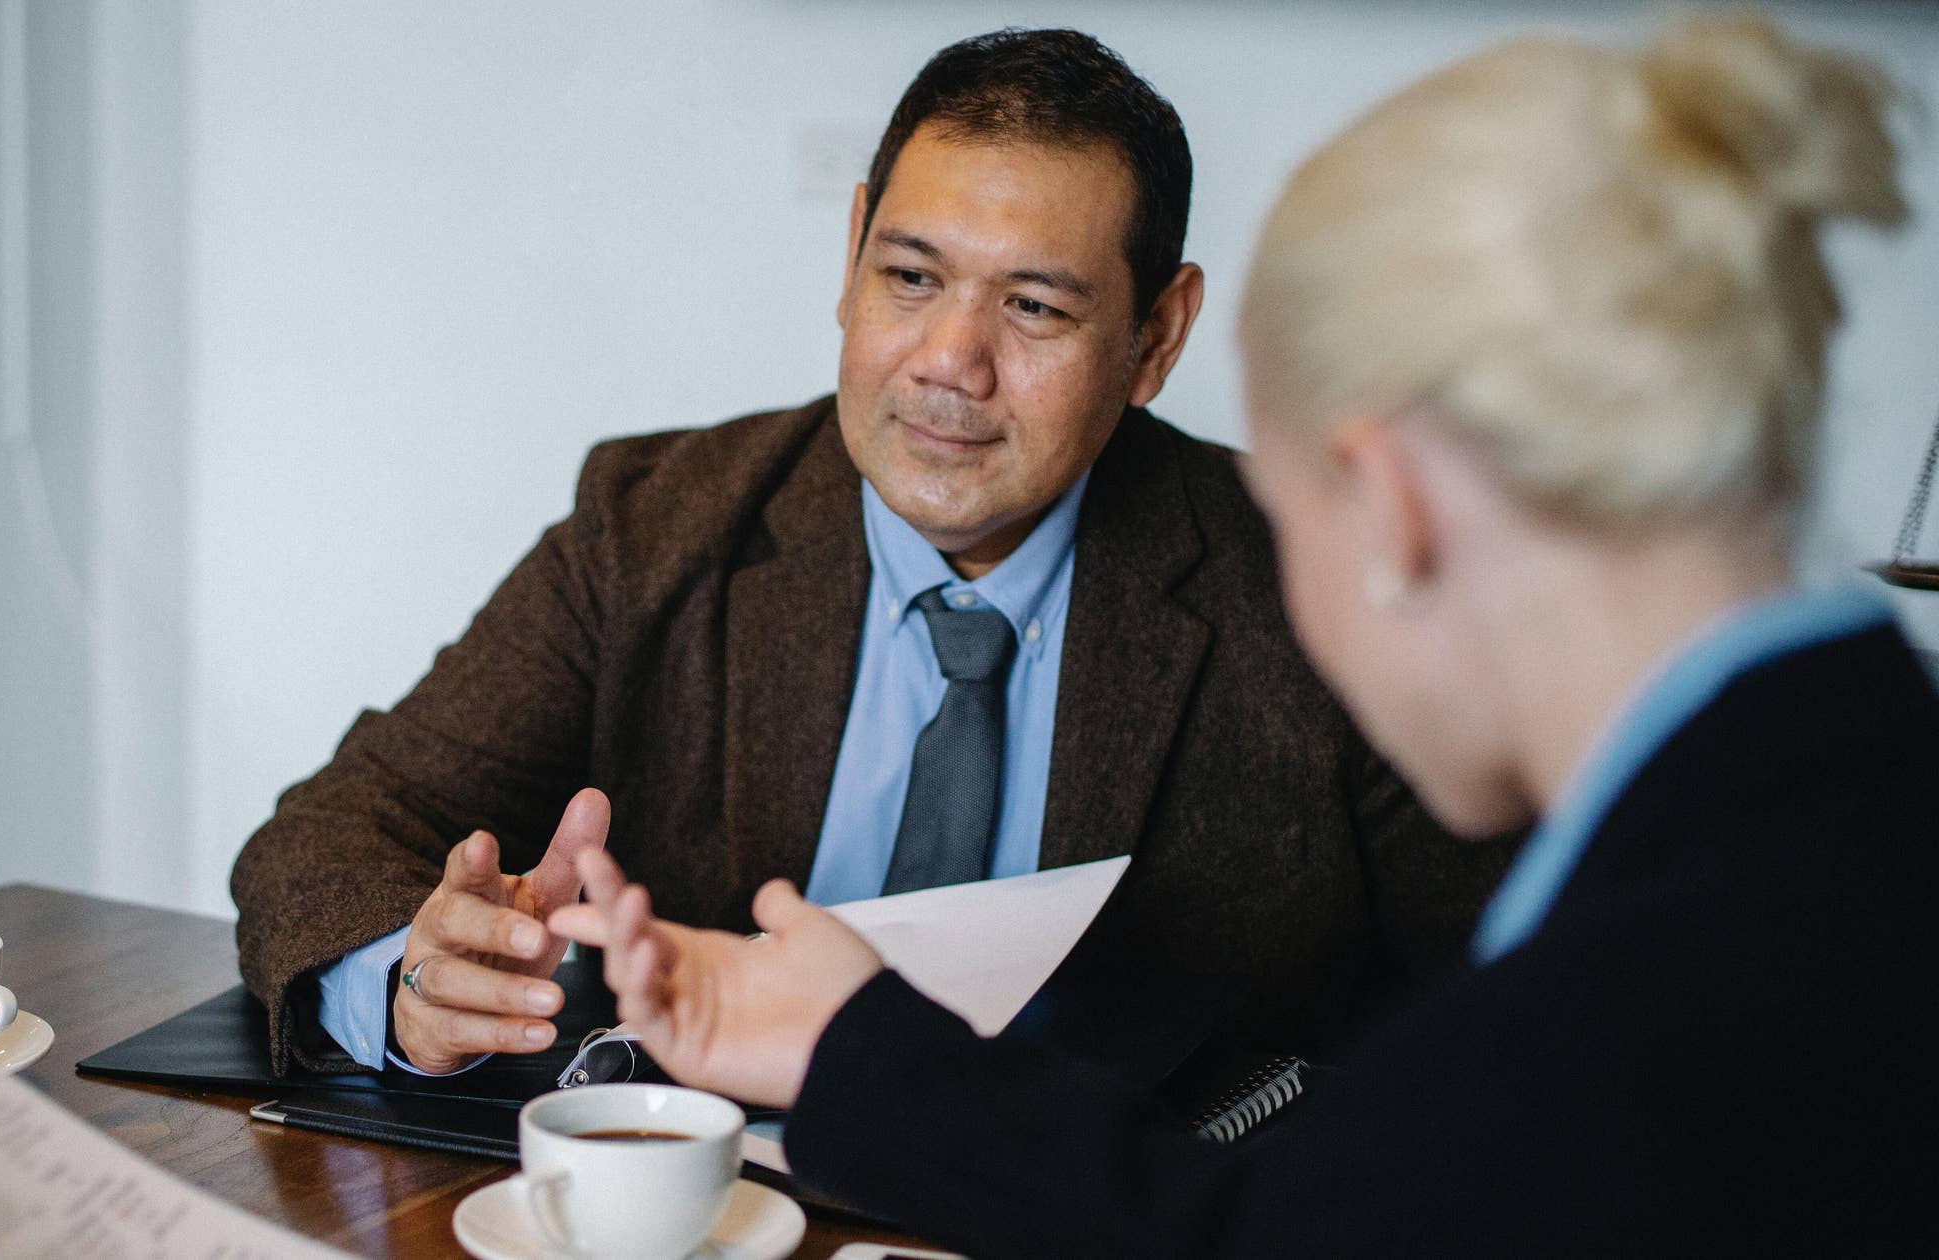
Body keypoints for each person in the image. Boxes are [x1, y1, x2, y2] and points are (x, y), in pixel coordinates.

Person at [552, 14, 1938, 1255]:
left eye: (1284, 506)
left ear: (1388, 508)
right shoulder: (1845, 827)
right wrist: (858, 1052)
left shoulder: (1593, 1023)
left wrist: (866, 1064)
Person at [231, 28, 1512, 1080]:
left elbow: (1530, 1000)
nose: (949, 364)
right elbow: (328, 834)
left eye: (1034, 306)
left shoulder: (1318, 580)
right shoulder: (653, 523)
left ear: (1157, 337)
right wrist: (415, 983)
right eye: (910, 278)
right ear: (850, 259)